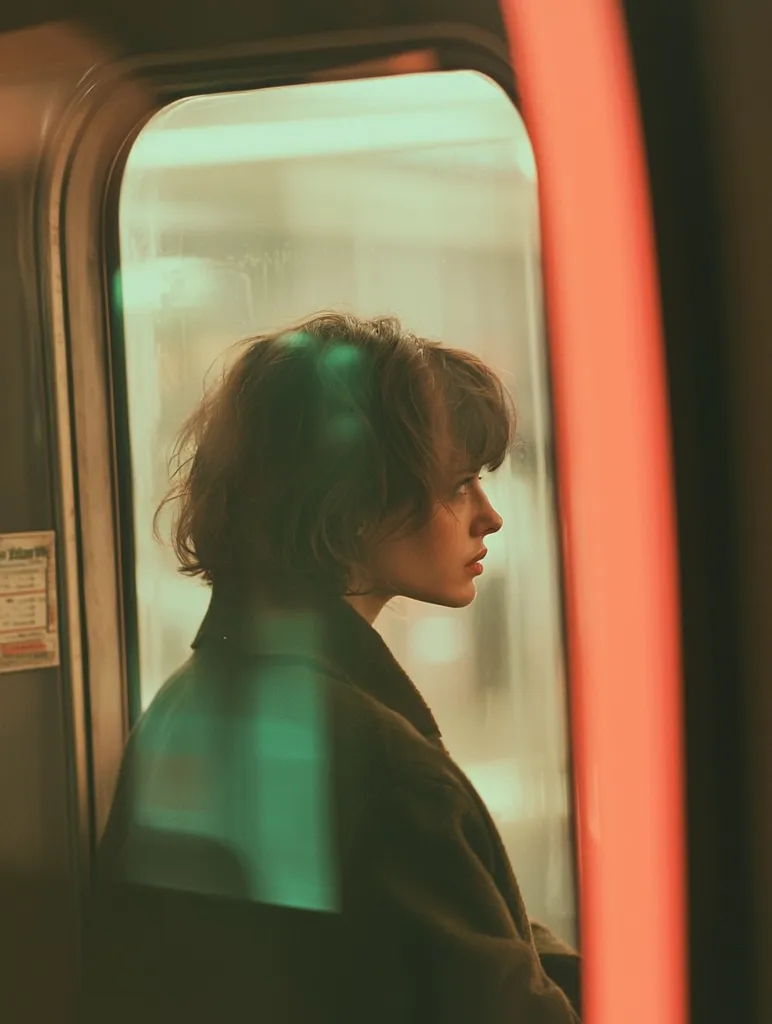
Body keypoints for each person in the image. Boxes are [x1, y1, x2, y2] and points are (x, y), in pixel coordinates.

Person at [81, 312, 581, 1023]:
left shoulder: (191, 703)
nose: (489, 515)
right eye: (458, 483)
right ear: (351, 505)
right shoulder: (385, 767)